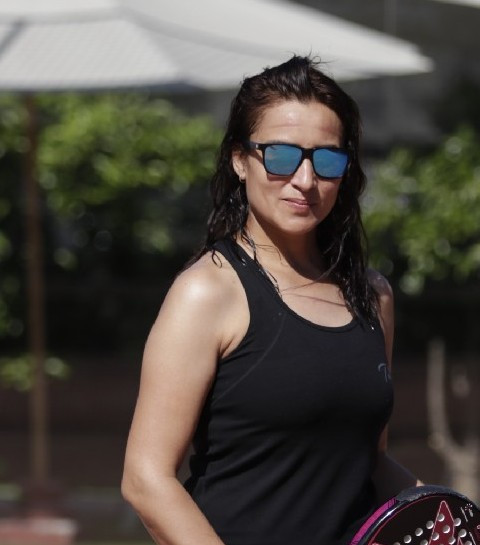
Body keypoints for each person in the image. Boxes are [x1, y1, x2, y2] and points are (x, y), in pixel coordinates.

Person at [121, 55, 419, 545]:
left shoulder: (372, 296)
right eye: (281, 156)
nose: (305, 179)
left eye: (327, 159)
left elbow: (368, 458)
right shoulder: (207, 292)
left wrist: (440, 508)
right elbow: (146, 479)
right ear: (239, 160)